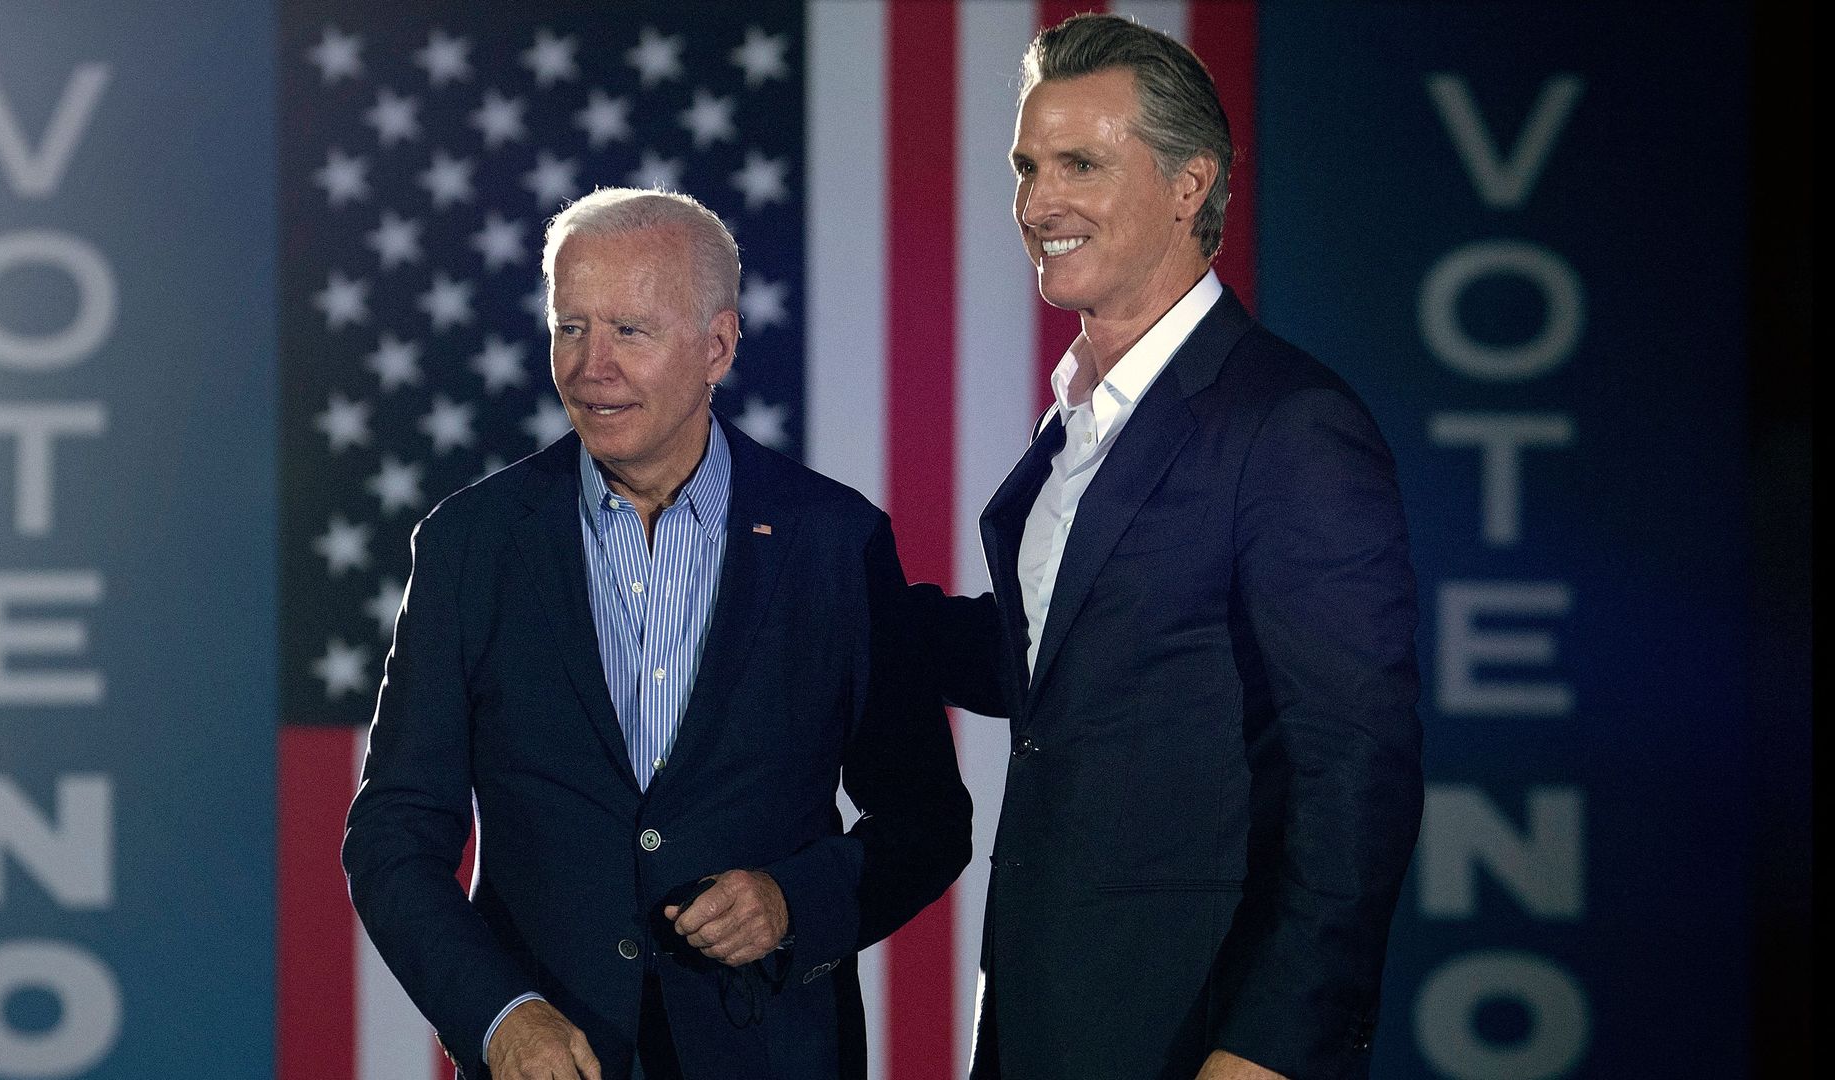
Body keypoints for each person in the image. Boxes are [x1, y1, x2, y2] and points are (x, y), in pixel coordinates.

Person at [344, 187, 971, 1080]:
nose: (591, 367)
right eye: (570, 328)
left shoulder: (833, 543)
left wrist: (793, 903)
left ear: (717, 346)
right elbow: (394, 834)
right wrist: (497, 1015)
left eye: (629, 332)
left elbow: (927, 819)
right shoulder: (471, 545)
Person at [912, 15, 1423, 1080]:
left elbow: (1355, 776)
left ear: (1192, 186)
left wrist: (1270, 1049)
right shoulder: (1082, 419)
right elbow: (1062, 672)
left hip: (1197, 1033)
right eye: (1027, 166)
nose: (1038, 202)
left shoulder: (1287, 426)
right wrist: (826, 591)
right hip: (1045, 1019)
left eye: (1080, 165)